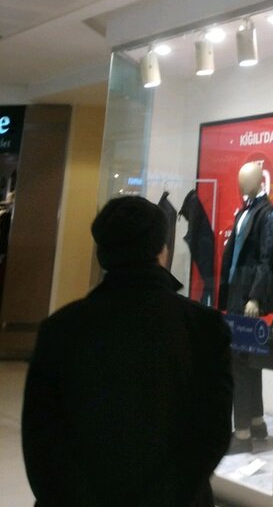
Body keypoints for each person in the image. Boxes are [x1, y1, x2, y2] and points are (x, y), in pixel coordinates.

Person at [22, 196, 233, 507]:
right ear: (162, 250)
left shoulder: (60, 330)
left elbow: (41, 441)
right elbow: (212, 432)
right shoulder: (204, 328)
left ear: (102, 254)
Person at [218, 160, 273, 451]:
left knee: (240, 363)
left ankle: (242, 433)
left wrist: (255, 296)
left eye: (247, 179)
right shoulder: (247, 210)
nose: (241, 183)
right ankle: (256, 423)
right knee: (247, 361)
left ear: (259, 181)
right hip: (237, 293)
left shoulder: (269, 214)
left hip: (248, 298)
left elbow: (267, 258)